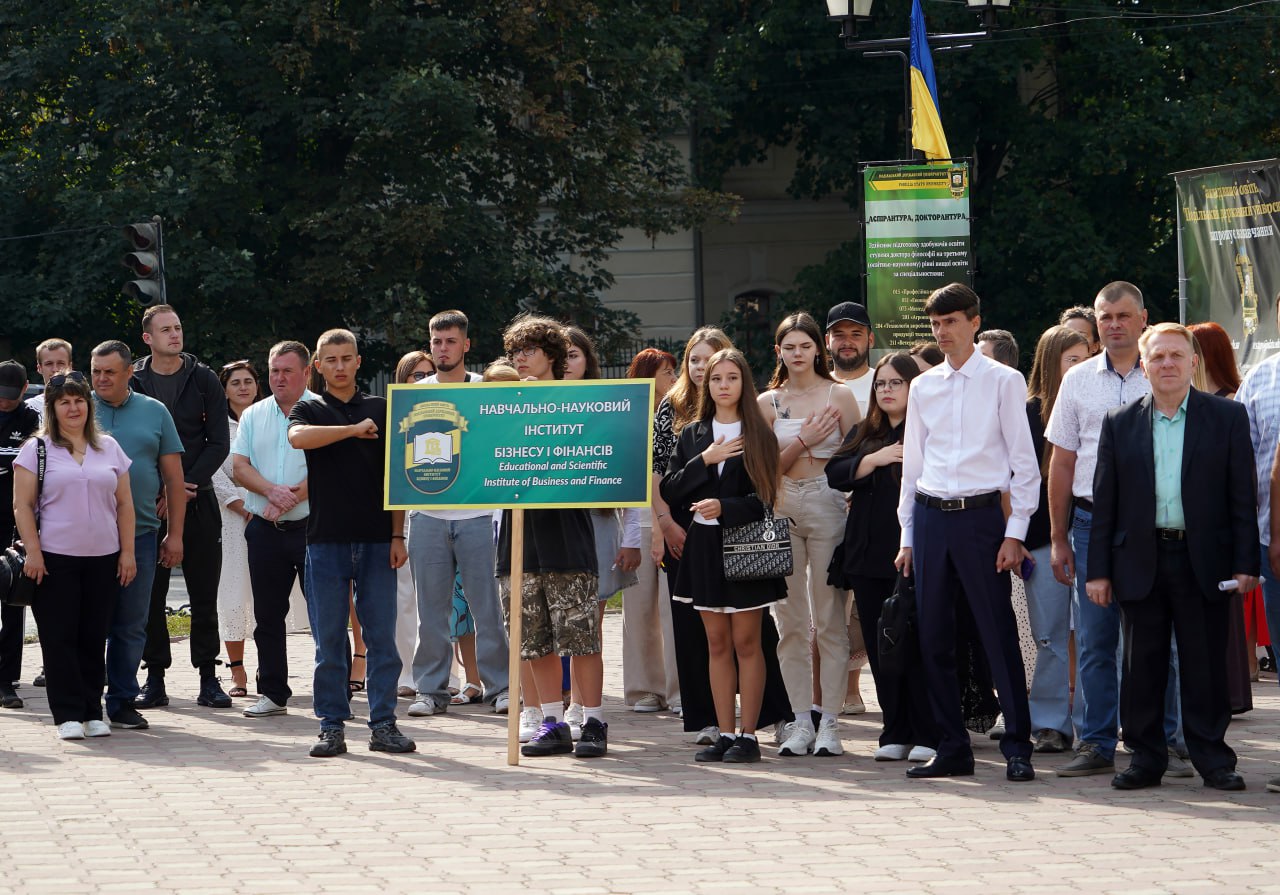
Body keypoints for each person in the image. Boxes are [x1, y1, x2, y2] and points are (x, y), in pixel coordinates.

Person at [1088, 323, 1257, 791]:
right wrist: (1098, 571)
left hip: (1204, 560)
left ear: (1193, 362)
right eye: (1158, 357)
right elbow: (1106, 503)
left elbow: (1243, 497)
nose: (1167, 364)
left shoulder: (1227, 417)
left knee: (1205, 666)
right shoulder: (1119, 422)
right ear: (1144, 366)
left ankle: (1213, 759)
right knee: (1141, 667)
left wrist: (1246, 563)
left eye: (1176, 356)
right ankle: (1145, 759)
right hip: (1140, 560)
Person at [894, 283, 1039, 782]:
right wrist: (907, 537)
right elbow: (913, 467)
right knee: (934, 636)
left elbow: (1025, 465)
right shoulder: (923, 386)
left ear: (975, 323)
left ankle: (1018, 747)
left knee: (997, 633)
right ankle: (952, 746)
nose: (942, 331)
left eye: (951, 321)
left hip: (982, 518)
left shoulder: (1004, 380)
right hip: (930, 517)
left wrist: (1015, 532)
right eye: (935, 323)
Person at [1046, 282, 1186, 779]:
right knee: (1095, 639)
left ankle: (1168, 741)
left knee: (1160, 640)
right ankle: (1097, 742)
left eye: (1123, 315)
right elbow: (1062, 462)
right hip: (1090, 524)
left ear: (1143, 318)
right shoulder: (1078, 379)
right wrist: (1058, 537)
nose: (1114, 325)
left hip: (1155, 524)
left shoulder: (1165, 372)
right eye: (1105, 317)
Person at [288, 329, 414, 757]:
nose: (339, 366)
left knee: (382, 641)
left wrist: (398, 535)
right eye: (331, 360)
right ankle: (331, 726)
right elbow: (298, 438)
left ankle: (384, 725)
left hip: (379, 541)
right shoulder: (308, 408)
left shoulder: (382, 408)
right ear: (317, 367)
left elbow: (398, 478)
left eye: (346, 358)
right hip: (326, 542)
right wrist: (351, 430)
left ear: (358, 361)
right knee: (329, 642)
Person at [661, 348, 788, 763]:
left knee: (747, 642)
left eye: (732, 377)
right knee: (715, 644)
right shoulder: (692, 434)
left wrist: (724, 507)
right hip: (703, 549)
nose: (723, 385)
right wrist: (705, 459)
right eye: (716, 378)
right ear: (707, 385)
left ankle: (749, 736)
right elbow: (670, 489)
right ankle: (725, 733)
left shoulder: (759, 434)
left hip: (745, 548)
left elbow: (765, 499)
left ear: (744, 383)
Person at [497, 315, 606, 758]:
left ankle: (593, 721)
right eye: (514, 352)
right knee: (532, 639)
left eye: (529, 350)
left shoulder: (577, 401)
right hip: (519, 536)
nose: (520, 359)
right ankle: (552, 722)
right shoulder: (503, 405)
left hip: (567, 535)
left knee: (581, 636)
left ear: (552, 356)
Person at [12, 371, 136, 740]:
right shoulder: (36, 449)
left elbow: (125, 504)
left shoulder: (108, 447)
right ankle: (66, 714)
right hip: (54, 559)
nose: (73, 408)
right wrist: (34, 552)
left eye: (79, 400)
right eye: (64, 402)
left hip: (104, 557)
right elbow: (22, 505)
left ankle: (92, 711)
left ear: (89, 405)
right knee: (59, 638)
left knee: (93, 637)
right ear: (52, 409)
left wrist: (128, 552)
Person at [757, 312, 860, 757]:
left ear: (819, 348)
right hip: (781, 502)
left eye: (805, 345)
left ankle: (831, 721)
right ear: (778, 351)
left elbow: (857, 456)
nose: (797, 354)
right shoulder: (767, 402)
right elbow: (761, 469)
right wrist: (804, 439)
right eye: (789, 347)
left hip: (827, 499)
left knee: (830, 617)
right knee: (790, 620)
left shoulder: (839, 394)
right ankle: (800, 720)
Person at [827, 352, 936, 762]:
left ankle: (927, 731)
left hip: (913, 552)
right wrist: (874, 459)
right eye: (881, 384)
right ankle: (894, 730)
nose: (887, 390)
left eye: (896, 383)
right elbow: (834, 473)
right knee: (882, 646)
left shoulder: (928, 428)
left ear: (913, 386)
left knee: (917, 642)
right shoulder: (865, 431)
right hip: (866, 555)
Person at [407, 309, 511, 721]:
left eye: (451, 341)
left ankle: (500, 687)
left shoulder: (486, 388)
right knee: (430, 612)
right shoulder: (415, 393)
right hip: (427, 514)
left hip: (480, 514)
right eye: (436, 341)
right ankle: (430, 690)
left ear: (466, 345)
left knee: (489, 609)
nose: (443, 348)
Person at [131, 304, 231, 709]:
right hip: (147, 504)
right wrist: (160, 492)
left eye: (178, 327)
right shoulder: (133, 381)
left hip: (197, 498)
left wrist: (182, 486)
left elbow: (218, 443)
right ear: (148, 338)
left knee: (204, 596)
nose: (175, 334)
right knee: (150, 597)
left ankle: (209, 677)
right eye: (166, 329)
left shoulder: (204, 378)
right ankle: (154, 678)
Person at [91, 341, 187, 731]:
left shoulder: (155, 411)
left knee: (131, 623)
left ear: (130, 372)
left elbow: (174, 480)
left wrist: (175, 535)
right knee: (88, 622)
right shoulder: (78, 409)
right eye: (96, 372)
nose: (101, 379)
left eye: (109, 372)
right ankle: (84, 700)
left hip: (144, 533)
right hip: (87, 537)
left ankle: (121, 701)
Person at [649, 326, 734, 747]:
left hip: (733, 523)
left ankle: (759, 713)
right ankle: (704, 716)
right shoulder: (672, 404)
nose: (701, 367)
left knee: (744, 626)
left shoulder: (739, 403)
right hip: (681, 524)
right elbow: (655, 472)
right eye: (694, 359)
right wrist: (664, 524)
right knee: (689, 625)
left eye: (708, 359)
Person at [561, 325, 640, 735]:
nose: (567, 362)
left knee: (588, 622)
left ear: (587, 361)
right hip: (556, 525)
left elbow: (631, 473)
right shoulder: (538, 404)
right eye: (561, 355)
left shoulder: (609, 406)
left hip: (598, 522)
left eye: (574, 354)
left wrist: (633, 538)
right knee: (561, 621)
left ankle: (582, 706)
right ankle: (558, 704)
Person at [231, 341, 317, 719]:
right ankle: (273, 693)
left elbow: (331, 467)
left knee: (326, 614)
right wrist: (271, 492)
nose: (279, 378)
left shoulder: (322, 411)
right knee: (267, 616)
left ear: (306, 372)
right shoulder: (253, 415)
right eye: (274, 371)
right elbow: (240, 467)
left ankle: (333, 691)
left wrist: (291, 497)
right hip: (265, 528)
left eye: (287, 371)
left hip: (313, 529)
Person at [1022, 326, 1090, 753]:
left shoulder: (1095, 404)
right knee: (1048, 636)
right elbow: (1015, 479)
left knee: (1093, 637)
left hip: (1091, 532)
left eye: (1086, 358)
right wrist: (1015, 536)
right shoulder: (1028, 412)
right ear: (1051, 363)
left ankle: (1093, 725)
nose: (1082, 368)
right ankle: (1049, 724)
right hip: (1039, 538)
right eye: (1072, 360)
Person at [621, 348, 681, 715]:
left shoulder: (681, 413)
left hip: (673, 520)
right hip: (637, 522)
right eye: (666, 372)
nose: (673, 378)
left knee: (675, 608)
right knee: (638, 610)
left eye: (675, 371)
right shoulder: (629, 417)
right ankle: (644, 689)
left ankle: (680, 690)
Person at [212, 359, 264, 698]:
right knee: (232, 592)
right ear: (225, 389)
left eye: (248, 381)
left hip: (271, 512)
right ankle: (237, 671)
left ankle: (269, 666)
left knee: (267, 594)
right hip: (230, 518)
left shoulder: (270, 420)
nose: (243, 387)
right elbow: (212, 469)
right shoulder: (216, 426)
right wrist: (239, 504)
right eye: (235, 382)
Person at [391, 350, 434, 698]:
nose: (424, 381)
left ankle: (444, 676)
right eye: (416, 375)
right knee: (404, 602)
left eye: (428, 374)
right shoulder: (394, 417)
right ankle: (405, 672)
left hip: (441, 519)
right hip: (404, 521)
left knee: (437, 604)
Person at [0, 361, 40, 709]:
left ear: (25, 389)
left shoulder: (31, 420)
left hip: (13, 523)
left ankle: (7, 679)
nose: (4, 401)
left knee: (12, 603)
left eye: (10, 396)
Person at [826, 302, 875, 416]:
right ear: (827, 341)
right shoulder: (816, 387)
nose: (847, 342)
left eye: (856, 334)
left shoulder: (883, 385)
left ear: (870, 340)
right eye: (839, 335)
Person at [24, 338, 74, 418]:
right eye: (49, 364)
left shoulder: (81, 406)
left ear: (70, 367)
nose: (55, 369)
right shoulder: (29, 408)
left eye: (60, 363)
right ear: (39, 368)